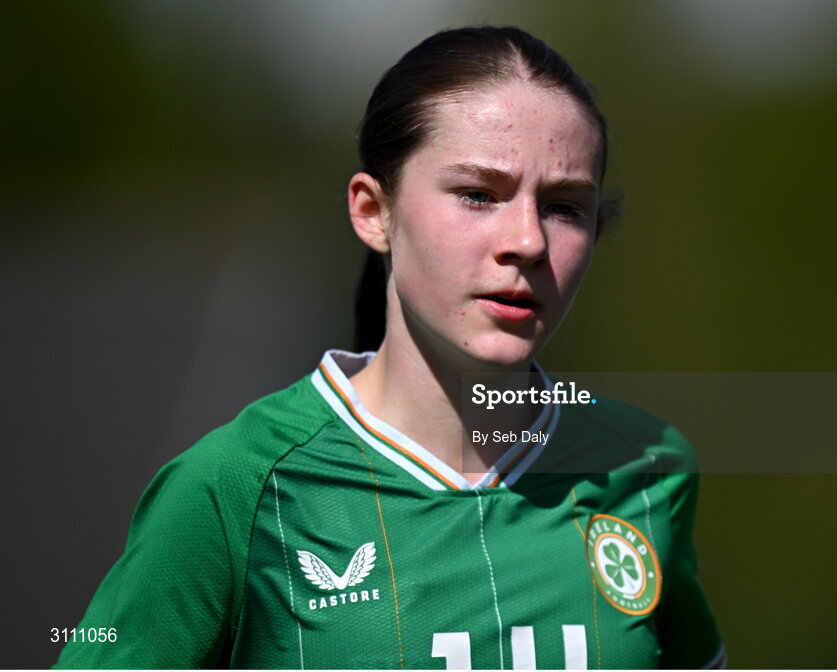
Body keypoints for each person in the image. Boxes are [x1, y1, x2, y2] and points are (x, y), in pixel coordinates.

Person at [54, 26, 723, 669]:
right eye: (477, 194)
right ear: (373, 213)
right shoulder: (232, 488)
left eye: (563, 206)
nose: (527, 240)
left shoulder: (645, 467)